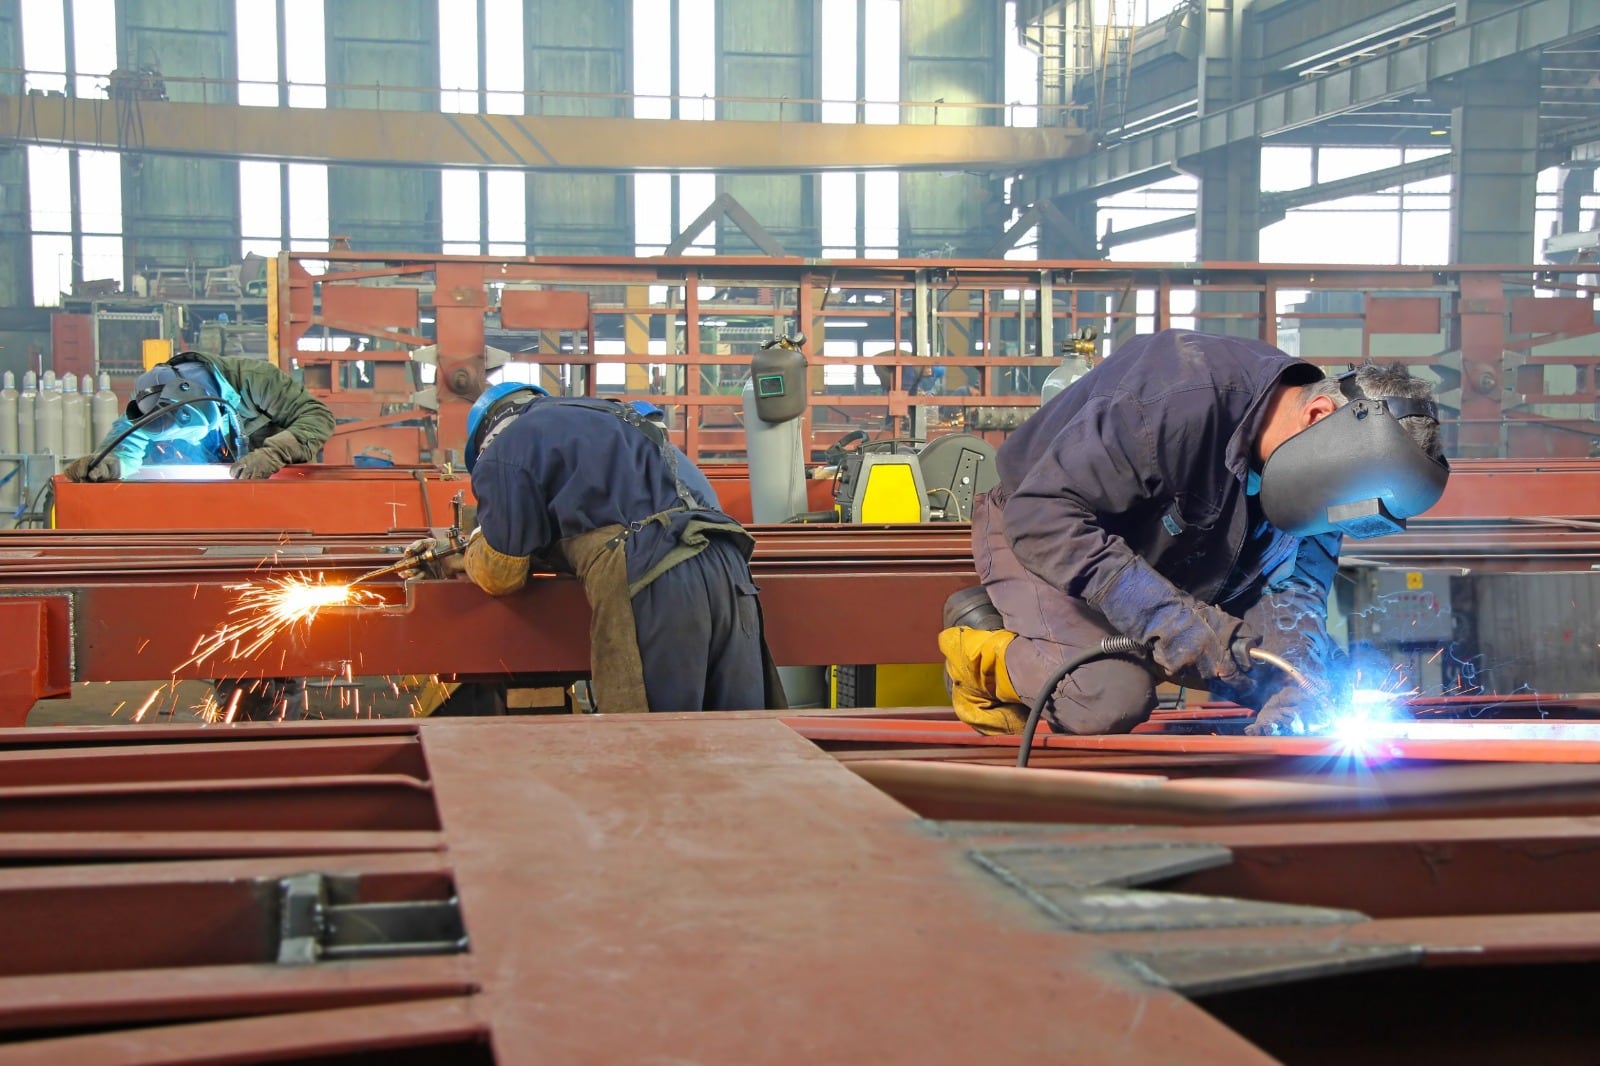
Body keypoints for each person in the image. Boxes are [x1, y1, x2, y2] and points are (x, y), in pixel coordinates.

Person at [940, 329, 1448, 738]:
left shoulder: (1326, 467)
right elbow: (1042, 514)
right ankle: (982, 644)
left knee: (1303, 679)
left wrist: (1298, 658)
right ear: (1317, 415)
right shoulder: (1175, 395)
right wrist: (1170, 620)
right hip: (1052, 536)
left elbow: (1302, 580)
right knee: (1107, 697)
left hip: (1190, 559)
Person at [409, 386, 783, 714]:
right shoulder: (618, 418)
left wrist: (473, 547)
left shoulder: (506, 448)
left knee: (660, 750)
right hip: (731, 567)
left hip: (658, 580)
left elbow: (501, 574)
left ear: (485, 438)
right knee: (739, 740)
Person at [63, 350, 335, 481]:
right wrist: (108, 465)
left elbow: (317, 416)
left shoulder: (255, 380)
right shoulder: (152, 406)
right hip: (216, 498)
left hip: (280, 487)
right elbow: (124, 450)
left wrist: (272, 454)